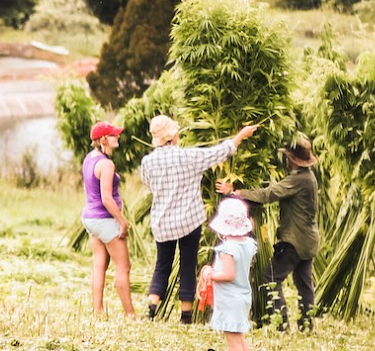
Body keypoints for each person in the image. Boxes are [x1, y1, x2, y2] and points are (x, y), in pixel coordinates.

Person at [139, 115, 258, 323]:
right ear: (172, 135)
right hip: (189, 220)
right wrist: (241, 135)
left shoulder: (147, 162)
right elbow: (220, 152)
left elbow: (148, 184)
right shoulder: (188, 157)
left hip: (162, 222)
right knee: (188, 264)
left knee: (162, 265)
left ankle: (151, 309)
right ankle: (186, 316)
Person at [218, 135, 320, 332]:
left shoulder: (299, 179)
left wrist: (236, 193)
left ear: (293, 159)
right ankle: (306, 326)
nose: (287, 160)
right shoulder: (309, 178)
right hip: (308, 240)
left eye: (288, 157)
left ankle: (281, 324)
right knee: (304, 284)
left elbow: (269, 194)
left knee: (271, 277)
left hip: (295, 241)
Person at [204, 197, 259, 351]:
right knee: (241, 339)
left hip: (230, 300)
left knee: (234, 343)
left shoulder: (227, 249)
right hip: (243, 297)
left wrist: (211, 274)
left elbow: (228, 275)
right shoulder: (248, 244)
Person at [81, 121, 134, 317]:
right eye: (113, 135)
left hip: (90, 218)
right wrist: (122, 221)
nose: (117, 137)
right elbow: (106, 198)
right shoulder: (107, 164)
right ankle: (130, 314)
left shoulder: (89, 158)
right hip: (105, 219)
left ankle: (98, 310)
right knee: (124, 266)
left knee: (99, 264)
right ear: (103, 139)